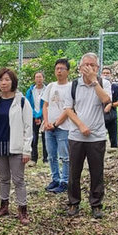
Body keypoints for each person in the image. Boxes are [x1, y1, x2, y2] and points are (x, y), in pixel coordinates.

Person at [64, 52, 112, 218]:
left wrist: (94, 82)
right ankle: (73, 203)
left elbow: (106, 100)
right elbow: (68, 109)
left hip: (97, 136)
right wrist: (81, 125)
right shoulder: (74, 85)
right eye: (86, 65)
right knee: (74, 171)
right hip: (76, 136)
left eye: (92, 65)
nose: (89, 68)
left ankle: (96, 204)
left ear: (97, 68)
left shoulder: (104, 83)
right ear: (80, 67)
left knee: (97, 172)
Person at [0, 67, 33, 224]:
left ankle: (22, 210)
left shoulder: (21, 101)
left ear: (13, 82)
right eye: (1, 80)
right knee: (3, 178)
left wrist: (27, 150)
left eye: (7, 79)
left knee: (18, 179)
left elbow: (28, 127)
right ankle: (4, 205)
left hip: (16, 146)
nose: (3, 83)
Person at [41, 58, 73, 194]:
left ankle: (65, 181)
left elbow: (68, 109)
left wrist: (55, 124)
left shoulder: (71, 87)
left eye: (62, 69)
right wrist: (47, 122)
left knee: (65, 156)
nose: (59, 71)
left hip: (63, 127)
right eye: (57, 68)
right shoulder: (51, 86)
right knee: (51, 155)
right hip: (49, 127)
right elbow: (45, 105)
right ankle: (55, 178)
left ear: (68, 71)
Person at [25, 71, 49, 165]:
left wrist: (40, 115)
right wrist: (35, 115)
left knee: (45, 137)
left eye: (40, 77)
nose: (39, 79)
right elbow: (28, 104)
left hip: (45, 116)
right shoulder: (30, 90)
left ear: (43, 78)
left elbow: (47, 103)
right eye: (37, 77)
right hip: (32, 116)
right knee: (33, 138)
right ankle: (33, 159)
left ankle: (46, 159)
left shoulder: (47, 89)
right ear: (34, 79)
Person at [102, 66, 118, 150]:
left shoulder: (115, 88)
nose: (106, 75)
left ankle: (114, 147)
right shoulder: (98, 86)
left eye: (107, 73)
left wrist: (111, 104)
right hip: (99, 114)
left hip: (111, 114)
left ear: (111, 75)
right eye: (104, 73)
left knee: (113, 133)